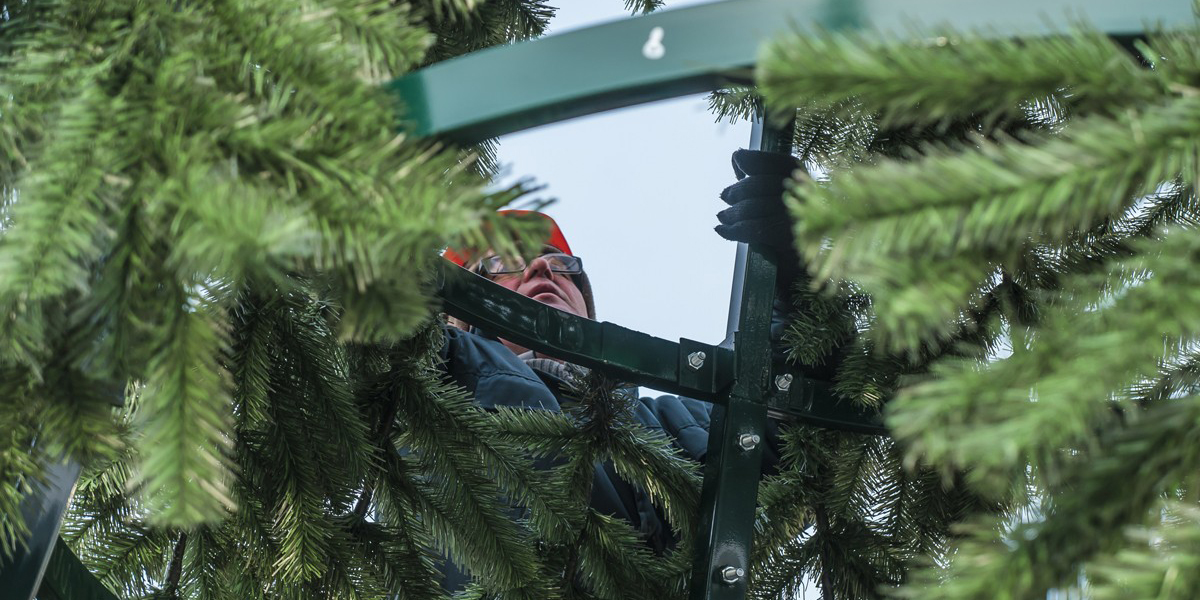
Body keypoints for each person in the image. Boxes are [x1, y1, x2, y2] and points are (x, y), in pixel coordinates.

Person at [436, 151, 799, 589]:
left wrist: (794, 287)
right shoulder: (438, 375)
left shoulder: (663, 426)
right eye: (503, 264)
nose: (542, 267)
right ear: (463, 313)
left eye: (562, 265)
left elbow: (781, 429)